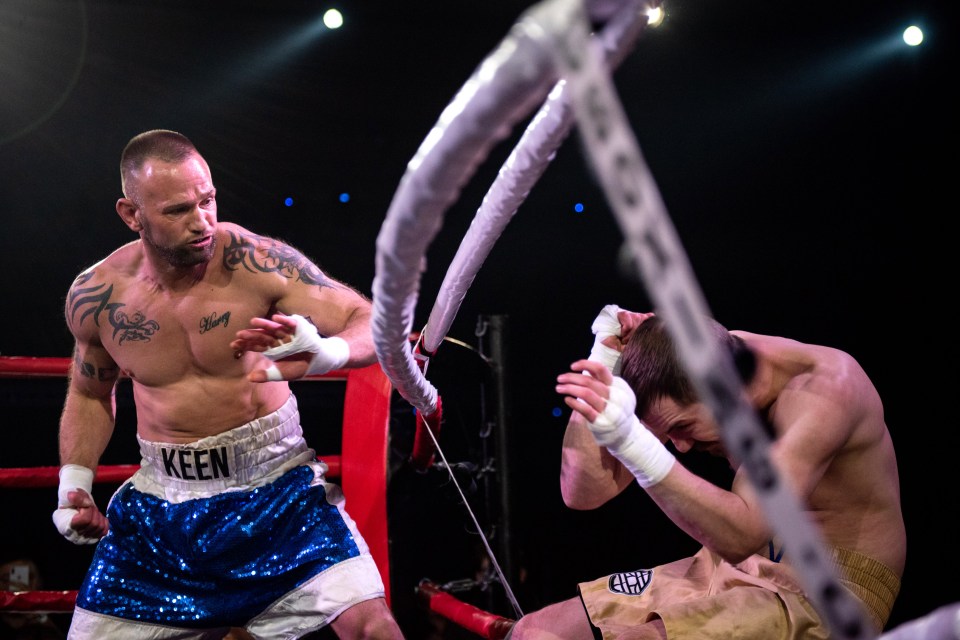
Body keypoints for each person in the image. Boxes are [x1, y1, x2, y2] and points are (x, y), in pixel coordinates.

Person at [52, 129, 405, 639]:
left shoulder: (254, 262)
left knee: (376, 631)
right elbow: (89, 392)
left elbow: (368, 319)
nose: (202, 222)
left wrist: (329, 352)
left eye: (208, 199)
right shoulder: (97, 296)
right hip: (162, 510)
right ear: (132, 215)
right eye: (178, 210)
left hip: (278, 492)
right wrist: (74, 489)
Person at [507, 305, 905, 639]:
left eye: (683, 429)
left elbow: (742, 534)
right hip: (737, 564)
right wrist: (604, 358)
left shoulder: (824, 392)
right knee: (536, 632)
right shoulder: (681, 364)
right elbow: (582, 492)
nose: (680, 447)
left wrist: (635, 444)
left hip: (831, 587)